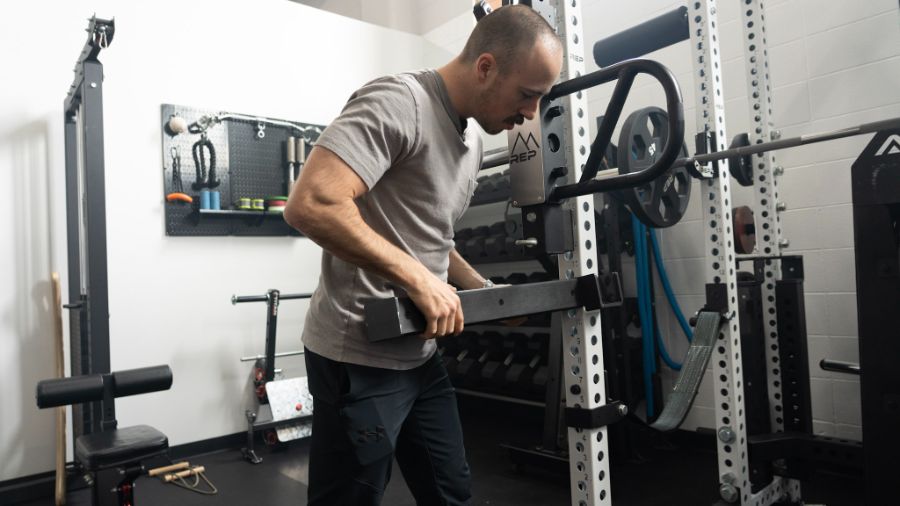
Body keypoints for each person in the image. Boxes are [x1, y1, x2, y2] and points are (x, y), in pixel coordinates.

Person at [284, 5, 563, 505]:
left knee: (450, 491)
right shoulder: (398, 102)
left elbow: (432, 237)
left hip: (421, 355)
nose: (530, 114)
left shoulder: (473, 141)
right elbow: (312, 204)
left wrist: (481, 290)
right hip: (358, 356)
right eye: (527, 95)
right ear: (485, 67)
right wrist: (417, 278)